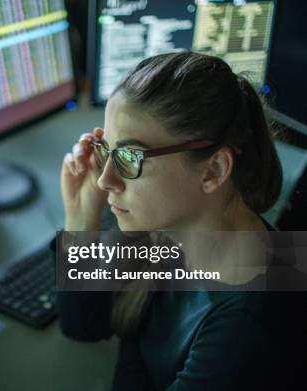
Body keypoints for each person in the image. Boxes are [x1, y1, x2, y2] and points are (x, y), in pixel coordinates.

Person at [57, 52, 307, 390]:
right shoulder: (174, 232)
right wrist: (81, 217)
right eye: (108, 150)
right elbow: (83, 325)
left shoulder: (246, 332)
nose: (104, 180)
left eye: (131, 157)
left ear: (214, 170)